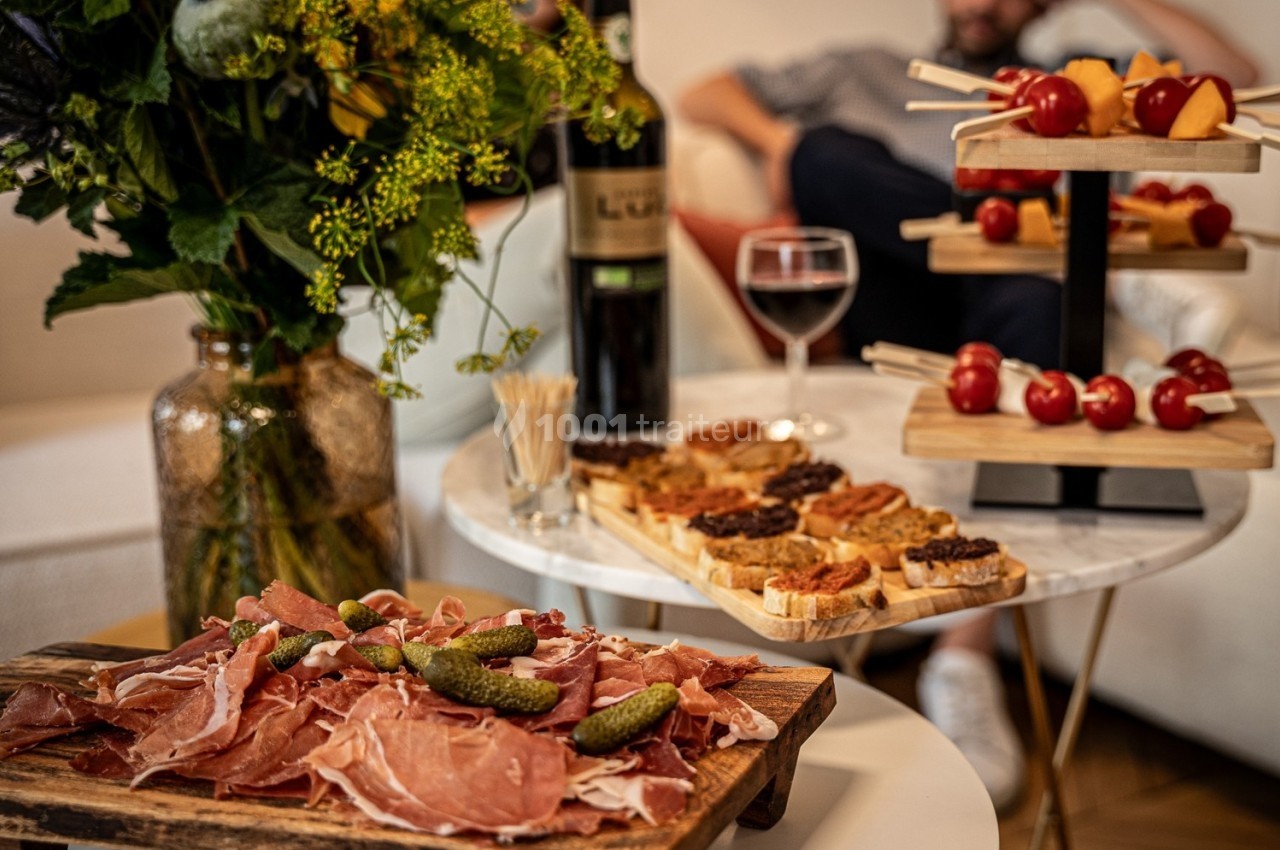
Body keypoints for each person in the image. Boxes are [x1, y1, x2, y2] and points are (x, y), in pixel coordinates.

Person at [679, 0, 1257, 811]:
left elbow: (1239, 81)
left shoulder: (1084, 83)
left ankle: (963, 656)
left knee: (1032, 303)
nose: (983, 3)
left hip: (1017, 301)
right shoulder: (869, 68)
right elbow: (700, 95)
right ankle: (1098, 268)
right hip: (902, 291)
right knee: (824, 153)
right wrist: (780, 148)